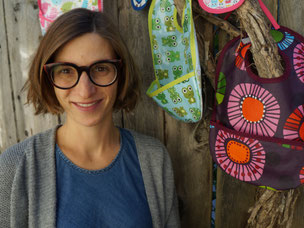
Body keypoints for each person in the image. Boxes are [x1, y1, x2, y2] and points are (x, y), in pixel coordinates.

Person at [0, 8, 180, 228]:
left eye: (101, 68)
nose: (85, 90)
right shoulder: (16, 166)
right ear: (49, 78)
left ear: (120, 73)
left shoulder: (154, 159)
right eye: (66, 71)